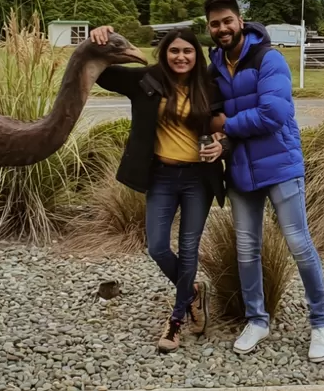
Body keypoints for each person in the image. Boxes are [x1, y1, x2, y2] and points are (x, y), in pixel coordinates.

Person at [202, 0, 324, 363]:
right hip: (241, 171)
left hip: (280, 165)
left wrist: (226, 126)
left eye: (227, 20)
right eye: (214, 23)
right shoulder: (213, 68)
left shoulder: (268, 59)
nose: (222, 28)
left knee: (298, 243)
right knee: (246, 249)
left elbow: (273, 113)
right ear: (209, 28)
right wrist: (216, 135)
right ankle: (257, 319)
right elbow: (206, 116)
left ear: (240, 21)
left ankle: (320, 323)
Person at [89, 25, 228, 354]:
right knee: (157, 247)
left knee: (189, 249)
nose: (181, 57)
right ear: (164, 53)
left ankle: (176, 320)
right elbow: (100, 74)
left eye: (188, 51)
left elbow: (220, 123)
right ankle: (192, 292)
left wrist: (221, 142)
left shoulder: (207, 86)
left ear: (197, 55)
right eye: (175, 51)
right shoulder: (145, 80)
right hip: (162, 176)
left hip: (198, 178)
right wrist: (96, 41)